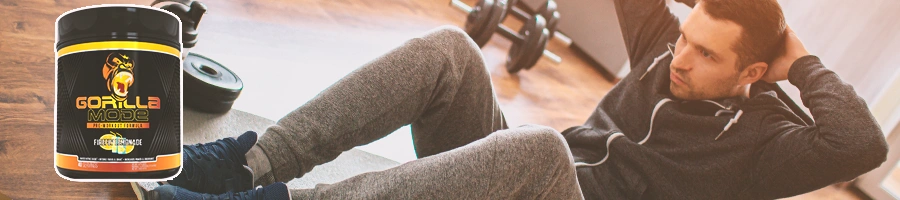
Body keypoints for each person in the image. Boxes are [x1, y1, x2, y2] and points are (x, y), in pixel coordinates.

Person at [142, 0, 889, 199]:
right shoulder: (667, 48)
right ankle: (245, 164)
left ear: (754, 71)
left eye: (705, 53)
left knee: (538, 147)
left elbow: (863, 146)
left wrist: (803, 60)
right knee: (451, 51)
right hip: (521, 183)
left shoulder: (768, 143)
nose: (677, 58)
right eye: (684, 35)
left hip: (552, 185)